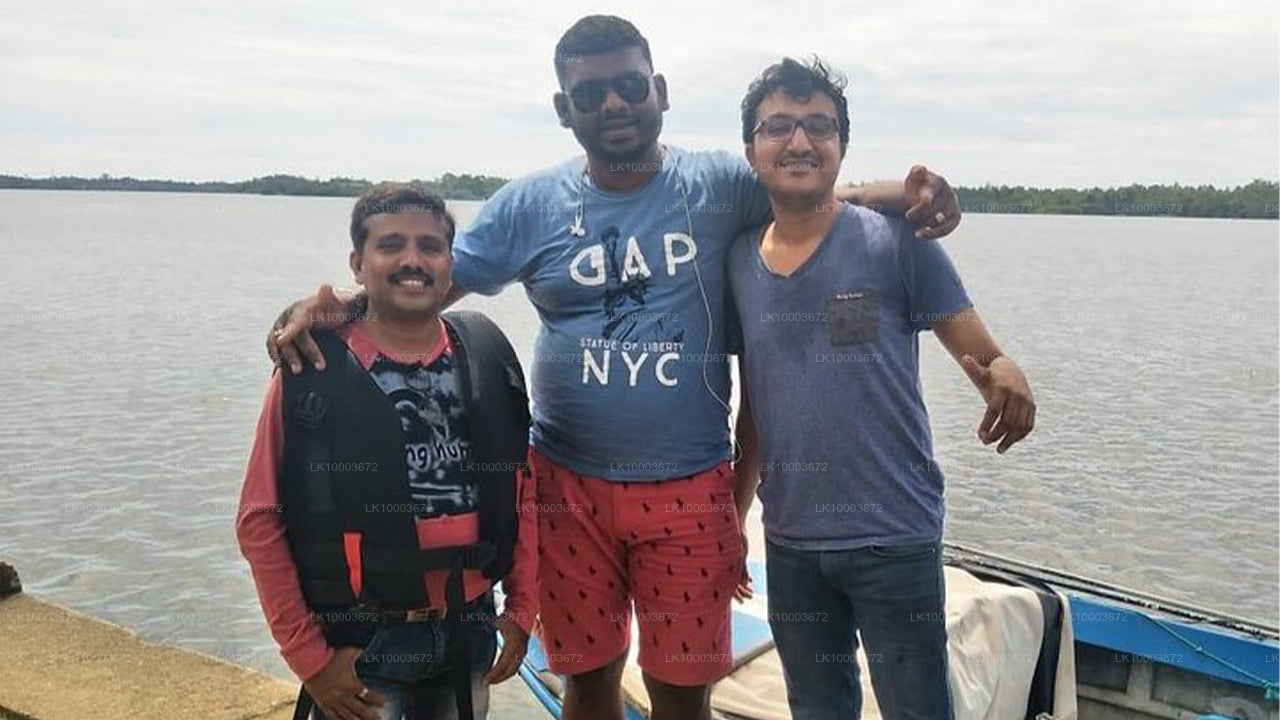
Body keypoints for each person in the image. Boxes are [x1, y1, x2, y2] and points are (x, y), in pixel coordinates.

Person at [267, 16, 963, 720]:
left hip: (691, 487)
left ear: (660, 90)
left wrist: (909, 196)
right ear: (563, 108)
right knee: (589, 679)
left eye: (630, 86)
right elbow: (420, 285)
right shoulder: (530, 206)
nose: (613, 105)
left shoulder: (720, 184)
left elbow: (810, 193)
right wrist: (337, 310)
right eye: (590, 93)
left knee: (682, 694)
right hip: (567, 487)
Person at [727, 57, 1037, 720]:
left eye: (819, 126)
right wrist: (734, 516)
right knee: (817, 708)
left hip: (893, 536)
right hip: (790, 542)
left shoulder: (896, 242)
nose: (800, 142)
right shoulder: (738, 261)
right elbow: (755, 405)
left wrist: (1005, 371)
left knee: (918, 709)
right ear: (751, 150)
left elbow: (981, 353)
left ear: (841, 144)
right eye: (778, 127)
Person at [236, 184, 537, 720]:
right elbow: (260, 520)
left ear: (450, 263)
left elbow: (522, 493)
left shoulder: (487, 356)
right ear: (358, 264)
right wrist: (309, 658)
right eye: (391, 244)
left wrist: (522, 608)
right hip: (362, 640)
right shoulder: (311, 371)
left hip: (469, 625)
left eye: (430, 246)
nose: (412, 260)